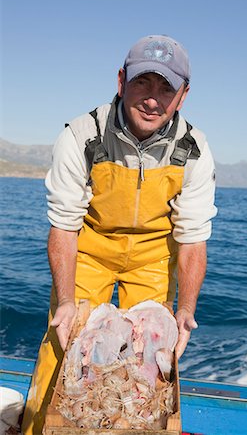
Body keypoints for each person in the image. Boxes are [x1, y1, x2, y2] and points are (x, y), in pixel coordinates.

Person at [22, 34, 217, 433]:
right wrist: (64, 301)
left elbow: (193, 238)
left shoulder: (194, 149)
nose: (152, 98)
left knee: (152, 359)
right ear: (121, 81)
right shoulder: (82, 135)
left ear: (183, 95)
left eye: (166, 88)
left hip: (151, 257)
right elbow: (64, 224)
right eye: (143, 82)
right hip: (89, 251)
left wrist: (186, 310)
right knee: (64, 347)